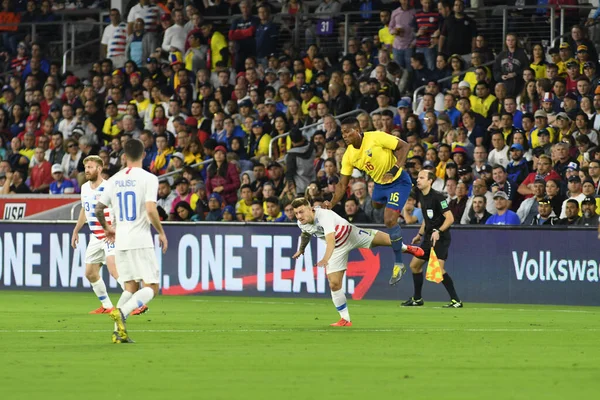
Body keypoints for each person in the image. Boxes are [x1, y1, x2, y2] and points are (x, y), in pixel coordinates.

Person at [291, 197, 424, 326]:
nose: (299, 216)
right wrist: (301, 249)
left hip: (351, 234)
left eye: (301, 211)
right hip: (337, 249)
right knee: (334, 284)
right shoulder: (301, 223)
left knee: (385, 241)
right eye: (296, 213)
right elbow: (306, 234)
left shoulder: (323, 215)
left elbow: (330, 239)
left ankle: (407, 248)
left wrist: (325, 259)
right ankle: (345, 319)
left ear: (310, 209)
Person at [326, 117, 418, 285]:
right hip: (379, 185)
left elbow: (404, 146)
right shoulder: (349, 155)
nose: (345, 136)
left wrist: (395, 168)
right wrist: (331, 204)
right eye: (342, 134)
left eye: (348, 132)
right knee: (376, 204)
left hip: (398, 181)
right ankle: (392, 210)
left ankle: (398, 264)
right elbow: (342, 184)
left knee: (389, 220)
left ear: (358, 130)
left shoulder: (376, 137)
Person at [96, 139, 168, 344]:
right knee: (152, 288)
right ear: (144, 155)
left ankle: (117, 333)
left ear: (124, 156)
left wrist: (107, 228)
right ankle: (123, 312)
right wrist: (161, 232)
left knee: (130, 287)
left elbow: (99, 209)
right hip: (140, 239)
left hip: (121, 240)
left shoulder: (113, 180)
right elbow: (151, 209)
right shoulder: (149, 178)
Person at [71, 156, 123, 314]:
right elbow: (84, 210)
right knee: (90, 272)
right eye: (86, 167)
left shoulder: (110, 187)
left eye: (91, 167)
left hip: (110, 235)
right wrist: (76, 230)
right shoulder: (85, 188)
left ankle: (137, 301)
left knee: (114, 270)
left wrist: (117, 229)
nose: (87, 170)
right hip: (96, 236)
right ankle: (107, 306)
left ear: (99, 169)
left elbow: (120, 210)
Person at [404, 170, 463, 308]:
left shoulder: (438, 197)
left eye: (422, 178)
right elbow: (426, 218)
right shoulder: (421, 196)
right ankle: (417, 299)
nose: (418, 180)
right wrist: (419, 235)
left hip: (440, 238)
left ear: (430, 181)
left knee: (438, 270)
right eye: (418, 177)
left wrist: (438, 230)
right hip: (428, 237)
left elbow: (450, 218)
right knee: (414, 265)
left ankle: (456, 300)